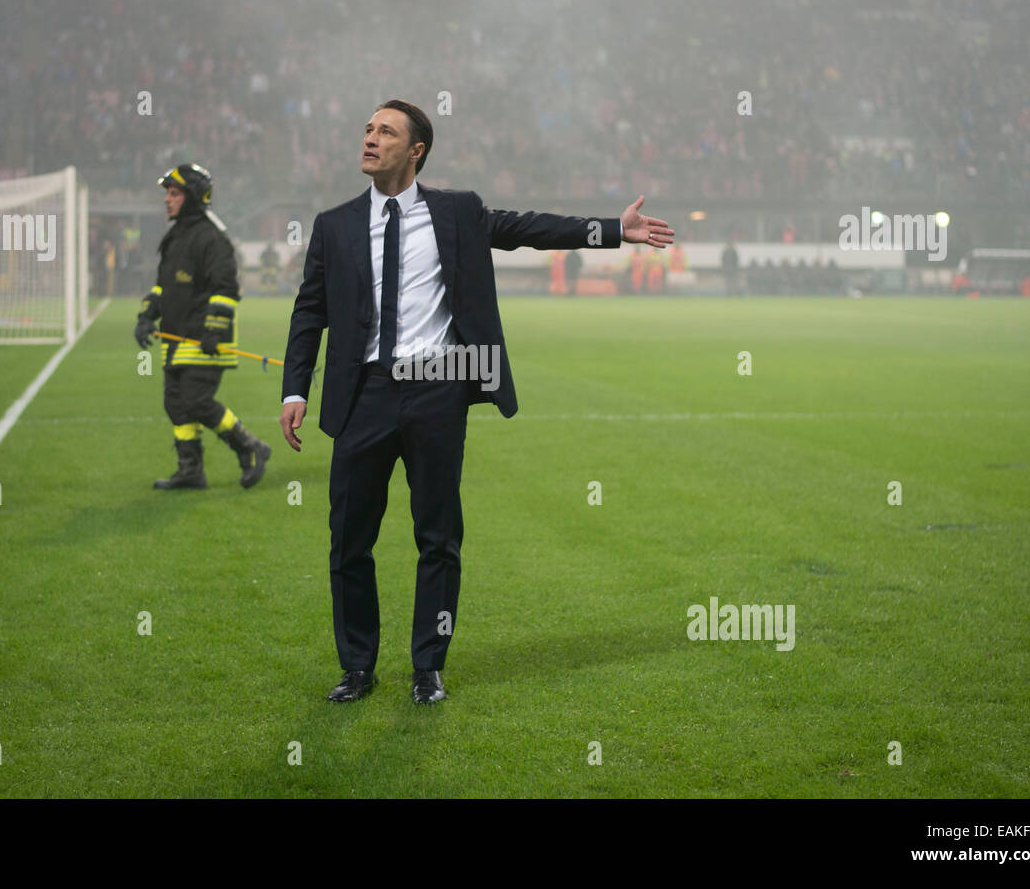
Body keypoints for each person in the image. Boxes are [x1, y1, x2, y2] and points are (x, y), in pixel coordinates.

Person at [279, 99, 675, 705]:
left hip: (438, 386)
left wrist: (614, 231)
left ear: (415, 151)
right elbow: (310, 310)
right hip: (364, 396)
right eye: (367, 128)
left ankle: (428, 665)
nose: (369, 138)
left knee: (438, 536)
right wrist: (295, 387)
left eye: (385, 131)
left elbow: (528, 229)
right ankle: (358, 667)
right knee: (348, 539)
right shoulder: (333, 225)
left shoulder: (456, 211)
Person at [134, 163, 272, 491]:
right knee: (176, 404)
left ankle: (250, 448)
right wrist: (146, 316)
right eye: (166, 193)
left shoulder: (213, 239)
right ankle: (191, 470)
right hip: (175, 336)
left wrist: (212, 331)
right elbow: (162, 287)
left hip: (204, 338)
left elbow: (226, 290)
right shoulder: (174, 238)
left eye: (174, 193)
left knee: (196, 401)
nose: (167, 200)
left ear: (193, 197)